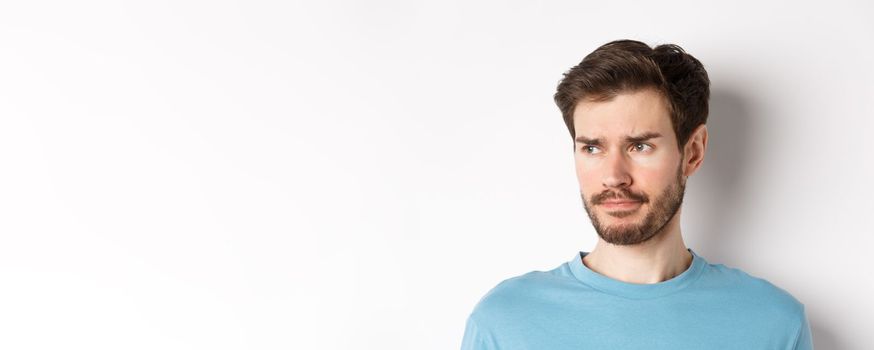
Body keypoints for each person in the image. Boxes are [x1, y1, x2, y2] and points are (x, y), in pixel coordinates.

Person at [460, 39, 814, 349]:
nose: (613, 176)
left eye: (639, 146)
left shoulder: (772, 324)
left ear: (692, 152)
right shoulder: (504, 323)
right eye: (593, 149)